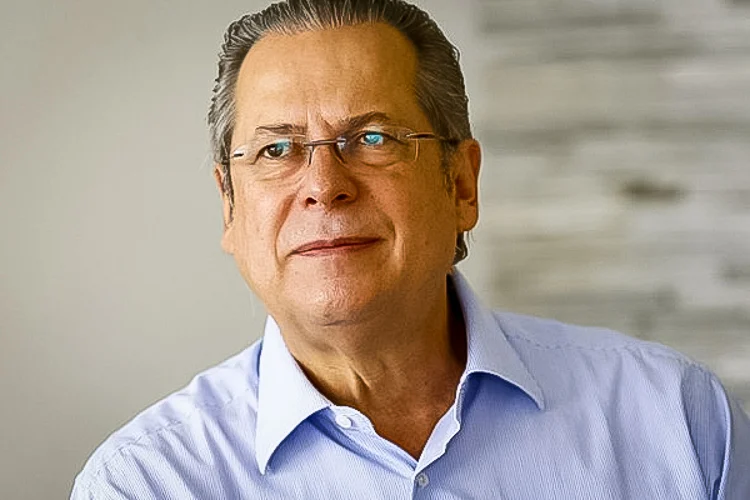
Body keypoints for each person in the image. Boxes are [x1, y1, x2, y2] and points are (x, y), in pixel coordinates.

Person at [71, 0, 750, 498]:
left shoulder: (677, 421)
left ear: (461, 184)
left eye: (372, 139)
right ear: (230, 206)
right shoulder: (146, 483)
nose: (324, 186)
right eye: (277, 150)